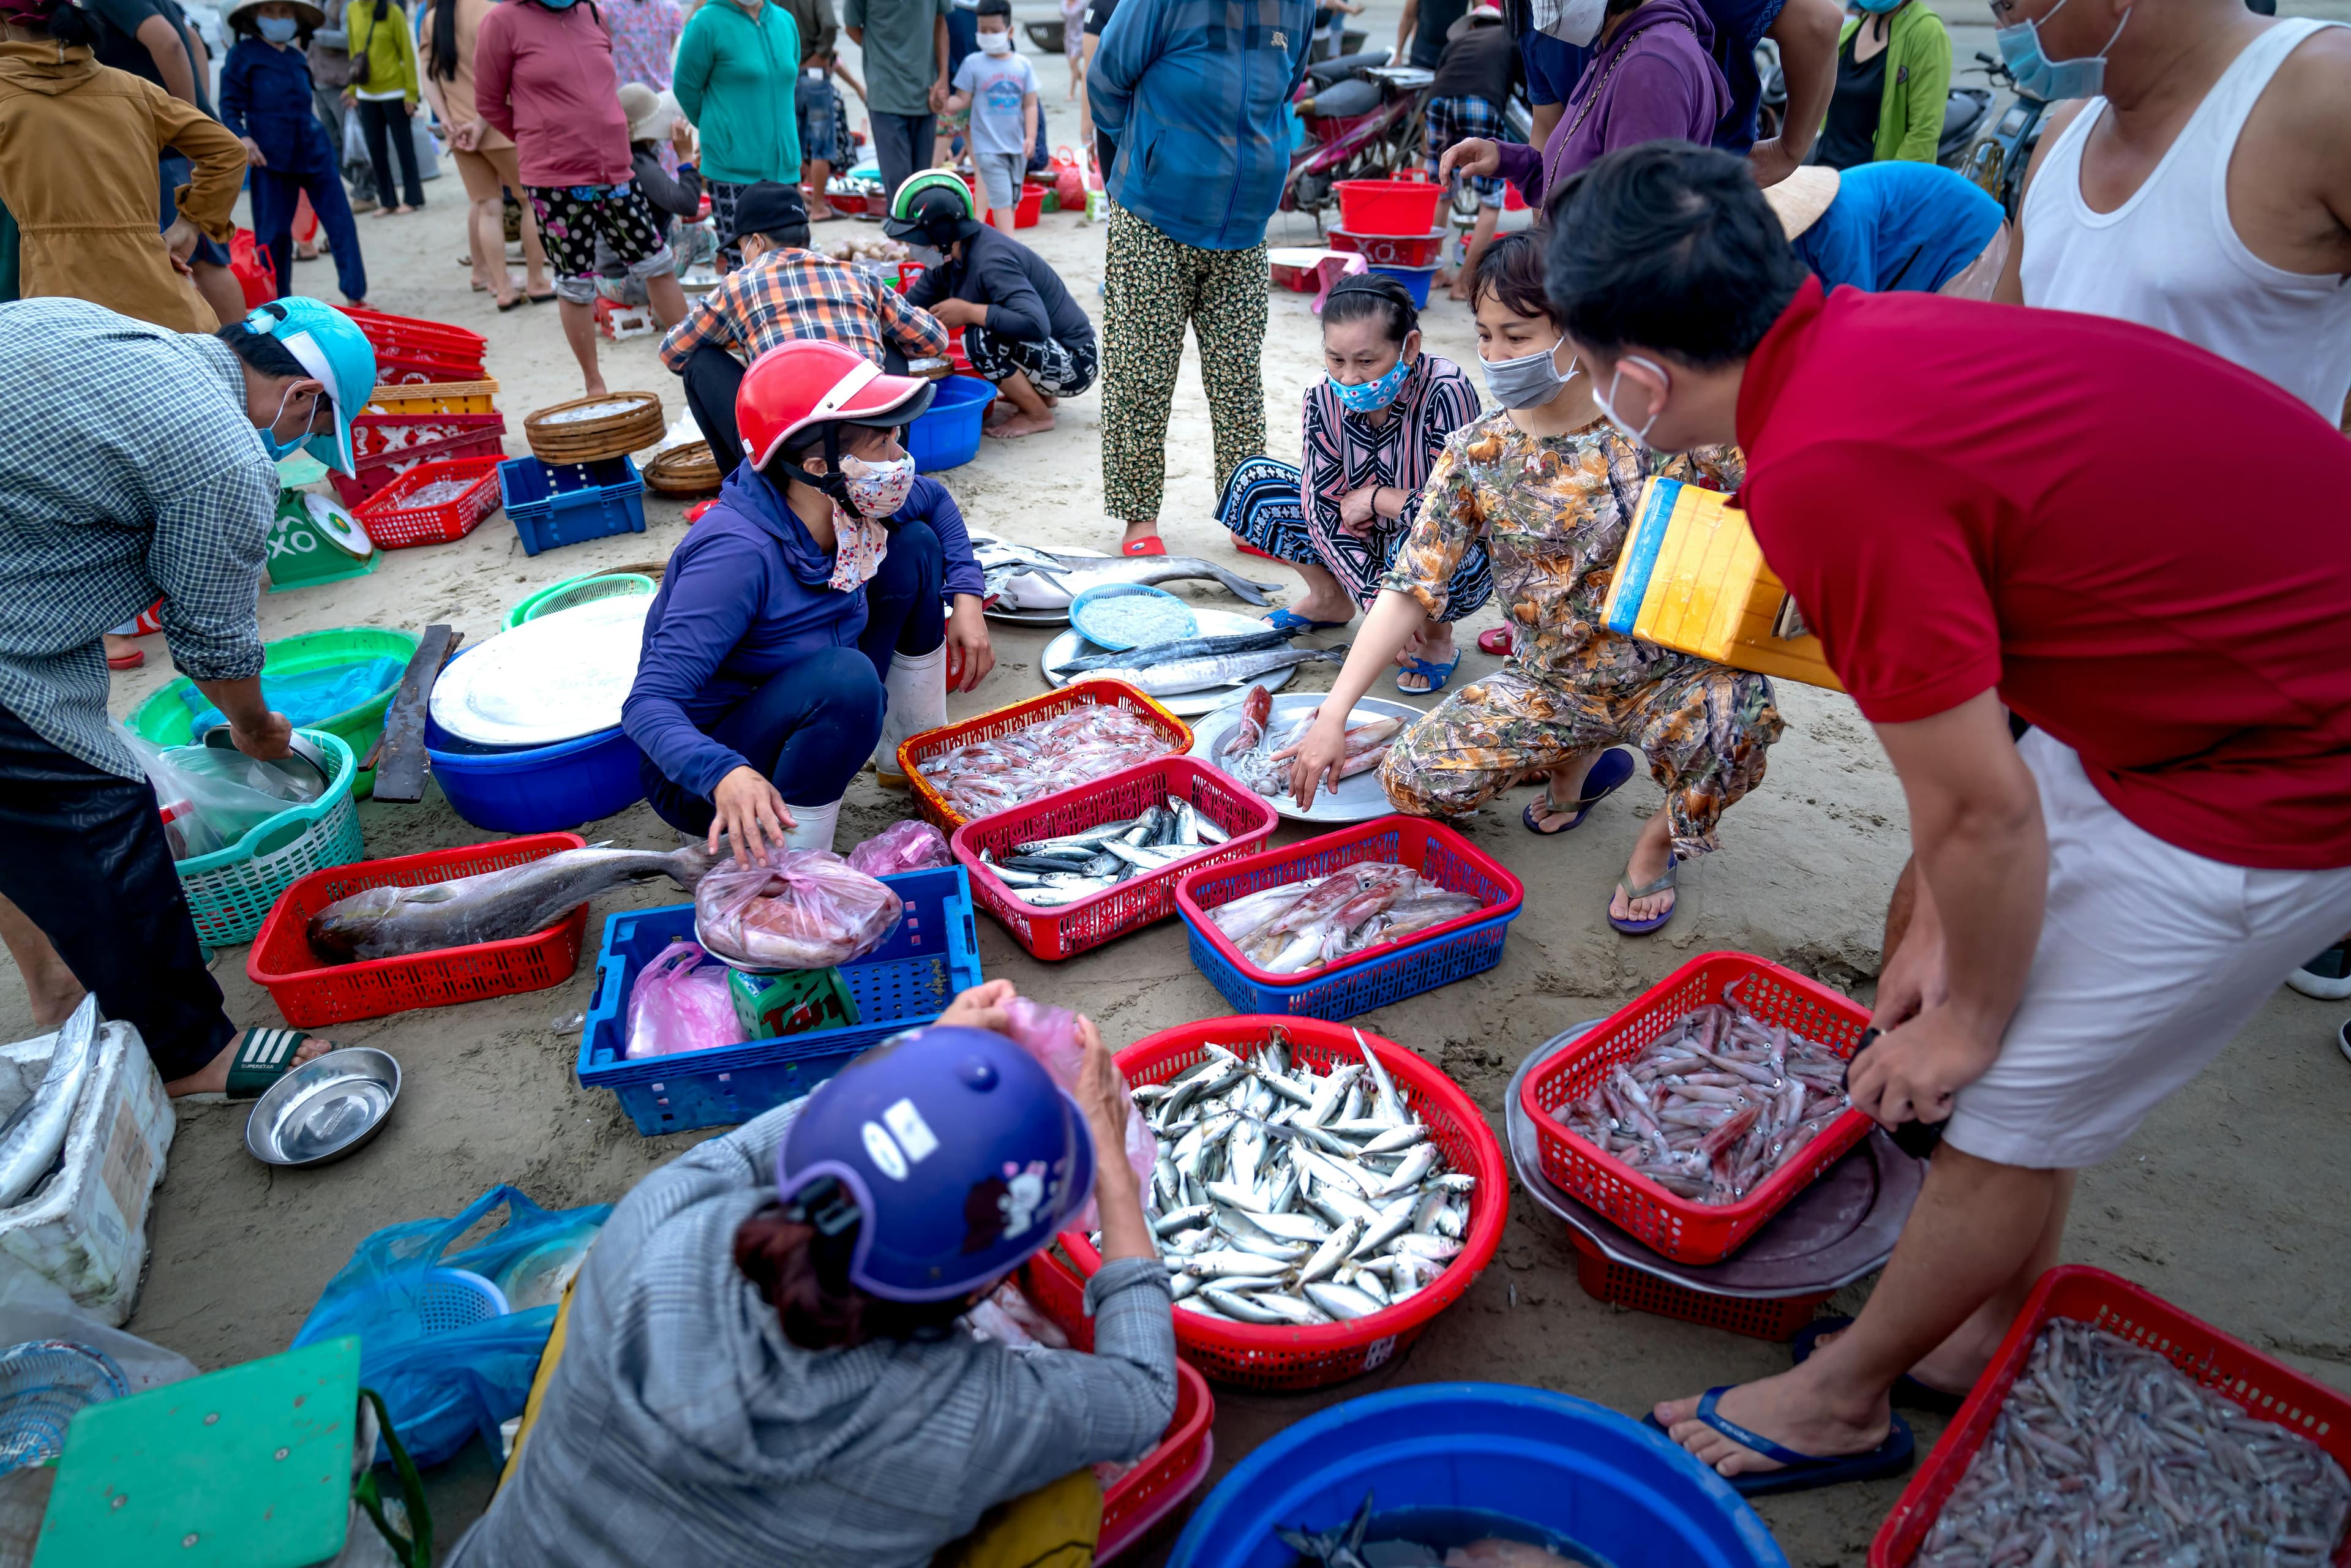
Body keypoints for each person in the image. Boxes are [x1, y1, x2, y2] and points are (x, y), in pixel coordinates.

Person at [1542, 141, 2351, 1492]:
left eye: (1579, 359)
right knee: (1998, 1017)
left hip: (2289, 752)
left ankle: (1839, 1401)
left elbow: (1984, 811)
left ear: (1636, 375)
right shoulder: (1870, 330)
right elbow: (1982, 760)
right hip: (2191, 694)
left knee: (2004, 1098)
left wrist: (1970, 1010)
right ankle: (1974, 1319)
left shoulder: (1823, 470)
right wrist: (1930, 932)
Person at [448, 992, 1176, 1568]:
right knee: (1056, 1504)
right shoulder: (960, 1416)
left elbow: (764, 1150)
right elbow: (1143, 1393)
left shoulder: (660, 1224)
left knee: (586, 1297)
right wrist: (1112, 1172)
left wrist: (919, 1063)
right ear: (978, 1290)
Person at [1286, 234, 1775, 932]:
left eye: (1518, 335)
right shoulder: (1480, 449)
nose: (1495, 355)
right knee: (1416, 777)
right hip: (1549, 680)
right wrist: (1332, 714)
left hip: (1671, 671)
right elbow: (1411, 582)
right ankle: (1575, 760)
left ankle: (1655, 845)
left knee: (1740, 715)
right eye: (1485, 334)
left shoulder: (1663, 420)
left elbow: (1777, 473)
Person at [0, 296, 377, 1100]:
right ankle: (190, 1053)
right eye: (309, 431)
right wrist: (258, 728)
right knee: (97, 810)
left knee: (16, 817)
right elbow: (209, 639)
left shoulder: (111, 329)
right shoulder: (225, 455)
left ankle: (58, 985)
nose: (297, 445)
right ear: (302, 397)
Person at [625, 342, 991, 852]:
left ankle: (911, 752)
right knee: (849, 679)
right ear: (820, 467)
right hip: (714, 774)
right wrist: (724, 772)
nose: (900, 460)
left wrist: (967, 599)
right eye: (883, 443)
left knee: (917, 546)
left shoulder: (851, 500)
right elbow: (648, 705)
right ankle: (795, 864)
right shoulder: (736, 556)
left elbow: (938, 506)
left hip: (815, 684)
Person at [2000, 0, 2351, 424]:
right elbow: (2004, 351)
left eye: (2005, 3)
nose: (2005, 23)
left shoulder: (2328, 91)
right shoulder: (2062, 135)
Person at [1090, 0, 1313, 557]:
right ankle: (1140, 520)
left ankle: (1247, 511)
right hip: (1154, 218)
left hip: (1245, 225)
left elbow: (1286, 88)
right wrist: (1148, 158)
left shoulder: (1297, 5)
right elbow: (1106, 82)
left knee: (1239, 377)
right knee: (1141, 373)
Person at [1216, 274, 1488, 696]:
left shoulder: (1445, 390)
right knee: (1254, 484)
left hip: (1430, 540)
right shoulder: (1321, 397)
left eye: (1366, 361)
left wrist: (1379, 498)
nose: (1349, 379)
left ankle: (1438, 639)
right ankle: (1331, 598)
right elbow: (1320, 506)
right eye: (1336, 359)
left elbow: (1462, 516)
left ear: (1409, 348)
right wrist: (1372, 599)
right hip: (1362, 540)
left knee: (1429, 540)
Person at [661, 181, 951, 479]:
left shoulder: (739, 284)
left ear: (757, 243)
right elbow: (935, 340)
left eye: (741, 247)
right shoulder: (857, 275)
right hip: (871, 436)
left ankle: (746, 485)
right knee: (890, 345)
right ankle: (891, 462)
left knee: (702, 363)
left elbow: (674, 353)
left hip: (793, 451)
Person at [476, 0, 689, 394]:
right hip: (555, 180)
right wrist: (541, 141)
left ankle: (693, 360)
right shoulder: (502, 22)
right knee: (576, 281)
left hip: (615, 169)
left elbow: (603, 87)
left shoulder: (593, 14)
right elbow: (489, 103)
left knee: (657, 261)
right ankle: (595, 384)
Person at [0, 0, 242, 332]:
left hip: (61, 302)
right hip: (162, 301)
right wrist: (188, 226)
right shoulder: (133, 89)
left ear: (5, 23)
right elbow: (228, 150)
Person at [1439, 0, 1728, 214]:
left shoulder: (1649, 67)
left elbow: (1631, 226)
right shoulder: (1616, 48)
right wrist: (1507, 159)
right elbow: (1577, 184)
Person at [893, 173, 1096, 438]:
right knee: (981, 334)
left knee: (978, 340)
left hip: (1076, 364)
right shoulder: (947, 260)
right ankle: (1040, 397)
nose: (910, 249)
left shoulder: (992, 259)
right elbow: (907, 311)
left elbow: (1036, 324)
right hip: (1050, 355)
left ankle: (1038, 415)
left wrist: (968, 311)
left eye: (914, 240)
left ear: (939, 235)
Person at [83, 0, 251, 322]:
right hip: (172, 148)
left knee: (193, 261)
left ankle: (236, 362)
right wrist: (196, 113)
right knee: (205, 259)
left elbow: (170, 42)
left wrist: (185, 122)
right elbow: (192, 41)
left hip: (163, 151)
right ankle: (241, 358)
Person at [220, 0, 369, 306]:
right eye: (270, 12)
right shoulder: (242, 56)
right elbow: (229, 107)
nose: (279, 19)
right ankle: (277, 303)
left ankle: (356, 295)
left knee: (341, 222)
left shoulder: (296, 57)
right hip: (271, 158)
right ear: (254, 17)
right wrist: (243, 138)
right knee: (273, 234)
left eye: (285, 12)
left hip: (315, 151)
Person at [422, 0, 553, 307]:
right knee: (531, 202)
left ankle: (503, 287)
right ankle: (536, 281)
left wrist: (445, 120)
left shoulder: (432, 18)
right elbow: (505, 77)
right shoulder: (492, 12)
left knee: (487, 208)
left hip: (458, 130)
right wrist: (481, 123)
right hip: (498, 127)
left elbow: (428, 76)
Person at [673, 0, 799, 269]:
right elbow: (685, 88)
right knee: (745, 268)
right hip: (733, 172)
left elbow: (788, 81)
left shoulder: (785, 21)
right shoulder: (706, 24)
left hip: (785, 169)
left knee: (791, 266)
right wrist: (722, 132)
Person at [1765, 163, 2003, 293]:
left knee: (1944, 351)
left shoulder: (1837, 222)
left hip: (1969, 234)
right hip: (1925, 244)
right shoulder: (1795, 234)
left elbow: (1854, 307)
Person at [1425, 0, 1520, 301]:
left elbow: (1440, 75)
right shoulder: (1509, 39)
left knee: (1441, 188)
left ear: (1474, 24)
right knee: (1490, 203)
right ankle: (1463, 284)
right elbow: (1528, 93)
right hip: (1481, 102)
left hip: (1438, 101)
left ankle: (1433, 272)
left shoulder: (1459, 42)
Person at [597, 85, 709, 302]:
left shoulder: (620, 158)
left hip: (606, 275)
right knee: (705, 235)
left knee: (675, 223)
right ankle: (685, 300)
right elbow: (687, 204)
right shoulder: (640, 164)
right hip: (631, 282)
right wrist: (686, 158)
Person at [1812, 0, 1949, 170]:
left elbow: (1923, 134)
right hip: (1826, 176)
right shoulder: (1848, 32)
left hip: (1878, 187)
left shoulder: (1928, 33)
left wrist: (1889, 187)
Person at [843, 0, 950, 201]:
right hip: (886, 96)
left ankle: (917, 231)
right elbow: (851, 27)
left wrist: (943, 78)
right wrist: (881, 55)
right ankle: (901, 232)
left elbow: (940, 22)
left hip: (925, 92)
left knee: (922, 185)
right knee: (900, 191)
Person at [947, 0, 1037, 233]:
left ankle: (1003, 245)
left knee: (1012, 200)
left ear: (1010, 31)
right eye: (982, 30)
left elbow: (1030, 105)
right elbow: (962, 100)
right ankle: (1010, 246)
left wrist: (1031, 138)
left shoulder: (1023, 65)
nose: (987, 36)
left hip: (1016, 147)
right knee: (1002, 200)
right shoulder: (972, 64)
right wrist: (940, 104)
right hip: (986, 148)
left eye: (994, 31)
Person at [776, 0, 863, 221]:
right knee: (821, 146)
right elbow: (830, 25)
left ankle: (795, 199)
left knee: (790, 141)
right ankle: (818, 206)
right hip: (813, 75)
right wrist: (820, 56)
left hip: (785, 75)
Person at [342, 0, 423, 216]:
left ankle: (413, 198)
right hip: (366, 93)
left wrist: (411, 93)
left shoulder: (392, 11)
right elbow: (354, 50)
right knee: (375, 149)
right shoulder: (352, 9)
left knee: (404, 148)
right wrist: (352, 88)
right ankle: (388, 201)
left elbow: (407, 52)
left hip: (394, 91)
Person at [602, 0, 680, 91]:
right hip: (660, 94)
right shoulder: (671, 7)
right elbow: (670, 46)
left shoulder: (607, 7)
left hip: (624, 95)